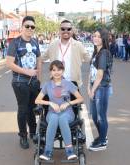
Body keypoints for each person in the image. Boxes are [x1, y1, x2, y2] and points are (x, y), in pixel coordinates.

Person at [35, 60, 83, 160]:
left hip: (68, 113)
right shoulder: (47, 85)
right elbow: (37, 100)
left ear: (63, 71)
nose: (56, 72)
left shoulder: (68, 84)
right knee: (54, 118)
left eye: (59, 70)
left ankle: (69, 151)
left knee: (62, 118)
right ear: (51, 72)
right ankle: (48, 152)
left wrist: (68, 103)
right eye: (54, 70)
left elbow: (80, 98)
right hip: (52, 113)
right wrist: (50, 103)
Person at [6, 16, 42, 149]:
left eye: (32, 27)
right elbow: (9, 63)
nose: (30, 29)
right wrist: (26, 72)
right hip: (20, 82)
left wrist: (38, 79)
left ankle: (33, 132)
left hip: (33, 82)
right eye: (27, 26)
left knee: (32, 109)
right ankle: (23, 136)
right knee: (22, 109)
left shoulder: (35, 42)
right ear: (22, 27)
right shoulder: (15, 43)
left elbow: (39, 59)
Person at [42, 19, 90, 88]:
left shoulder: (78, 45)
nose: (66, 31)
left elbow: (88, 58)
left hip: (73, 84)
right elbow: (41, 58)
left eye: (68, 29)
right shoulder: (53, 45)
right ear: (59, 30)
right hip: (56, 83)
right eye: (63, 29)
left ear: (72, 31)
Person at [88, 29, 112, 151]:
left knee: (101, 117)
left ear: (103, 39)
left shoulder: (104, 53)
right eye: (94, 36)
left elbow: (100, 74)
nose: (95, 38)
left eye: (98, 36)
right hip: (95, 87)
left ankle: (103, 142)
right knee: (94, 116)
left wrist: (93, 90)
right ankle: (103, 136)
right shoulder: (95, 52)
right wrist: (88, 86)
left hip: (101, 88)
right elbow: (91, 71)